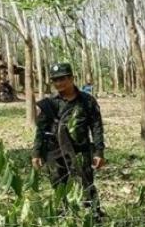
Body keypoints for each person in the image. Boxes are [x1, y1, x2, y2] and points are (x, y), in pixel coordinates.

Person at [31, 63, 105, 210]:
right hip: (55, 153)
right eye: (55, 80)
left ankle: (93, 216)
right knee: (59, 187)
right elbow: (41, 130)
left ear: (72, 78)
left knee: (86, 185)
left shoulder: (87, 101)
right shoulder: (49, 104)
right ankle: (63, 218)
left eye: (62, 79)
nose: (58, 83)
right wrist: (37, 153)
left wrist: (99, 152)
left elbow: (96, 127)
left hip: (80, 152)